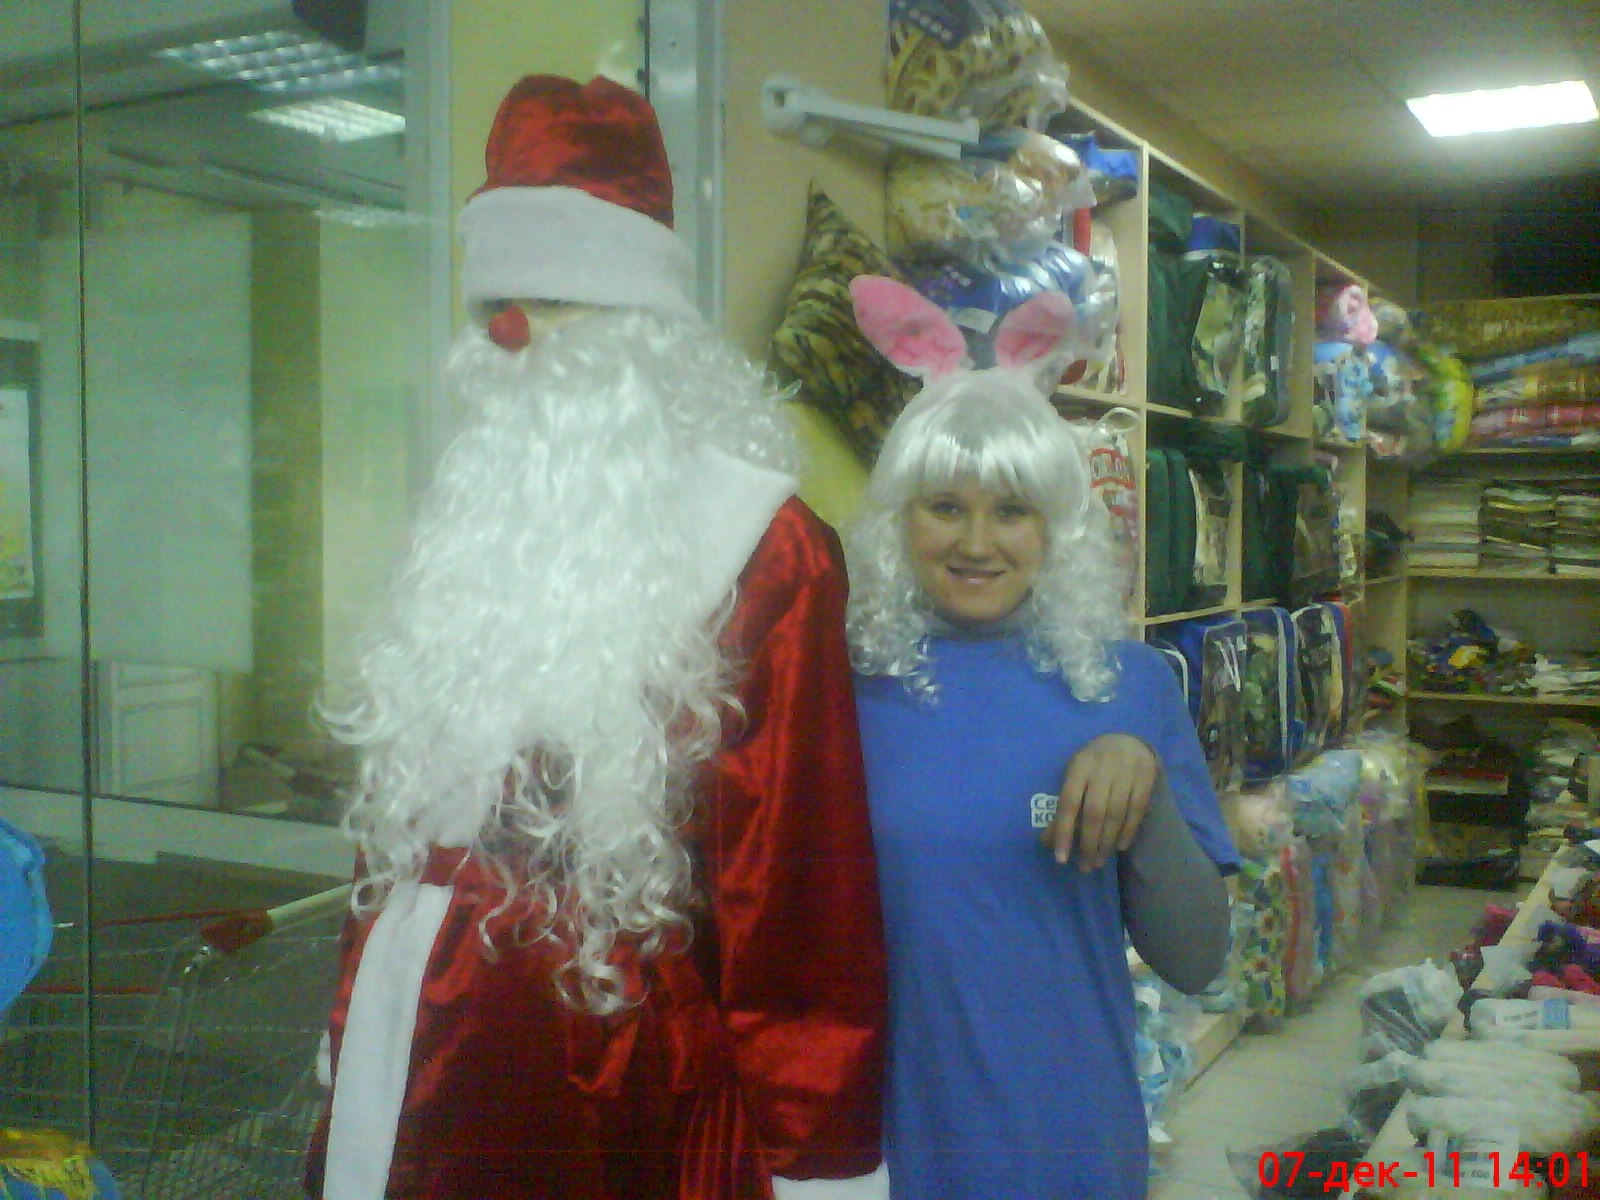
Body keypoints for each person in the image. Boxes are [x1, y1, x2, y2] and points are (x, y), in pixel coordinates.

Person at [304, 76, 889, 1200]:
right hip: (406, 1039)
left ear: (641, 328)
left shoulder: (762, 550)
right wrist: (348, 1019)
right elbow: (390, 838)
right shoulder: (466, 523)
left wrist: (815, 1153)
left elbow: (796, 894)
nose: (513, 335)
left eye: (556, 300)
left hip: (607, 1080)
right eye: (495, 304)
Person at [843, 275, 1239, 1200]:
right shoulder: (838, 690)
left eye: (1012, 510)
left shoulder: (1127, 685)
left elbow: (1197, 958)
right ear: (899, 519)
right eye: (946, 506)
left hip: (1063, 1139)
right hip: (878, 1146)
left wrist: (1144, 793)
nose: (978, 542)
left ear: (1056, 526)